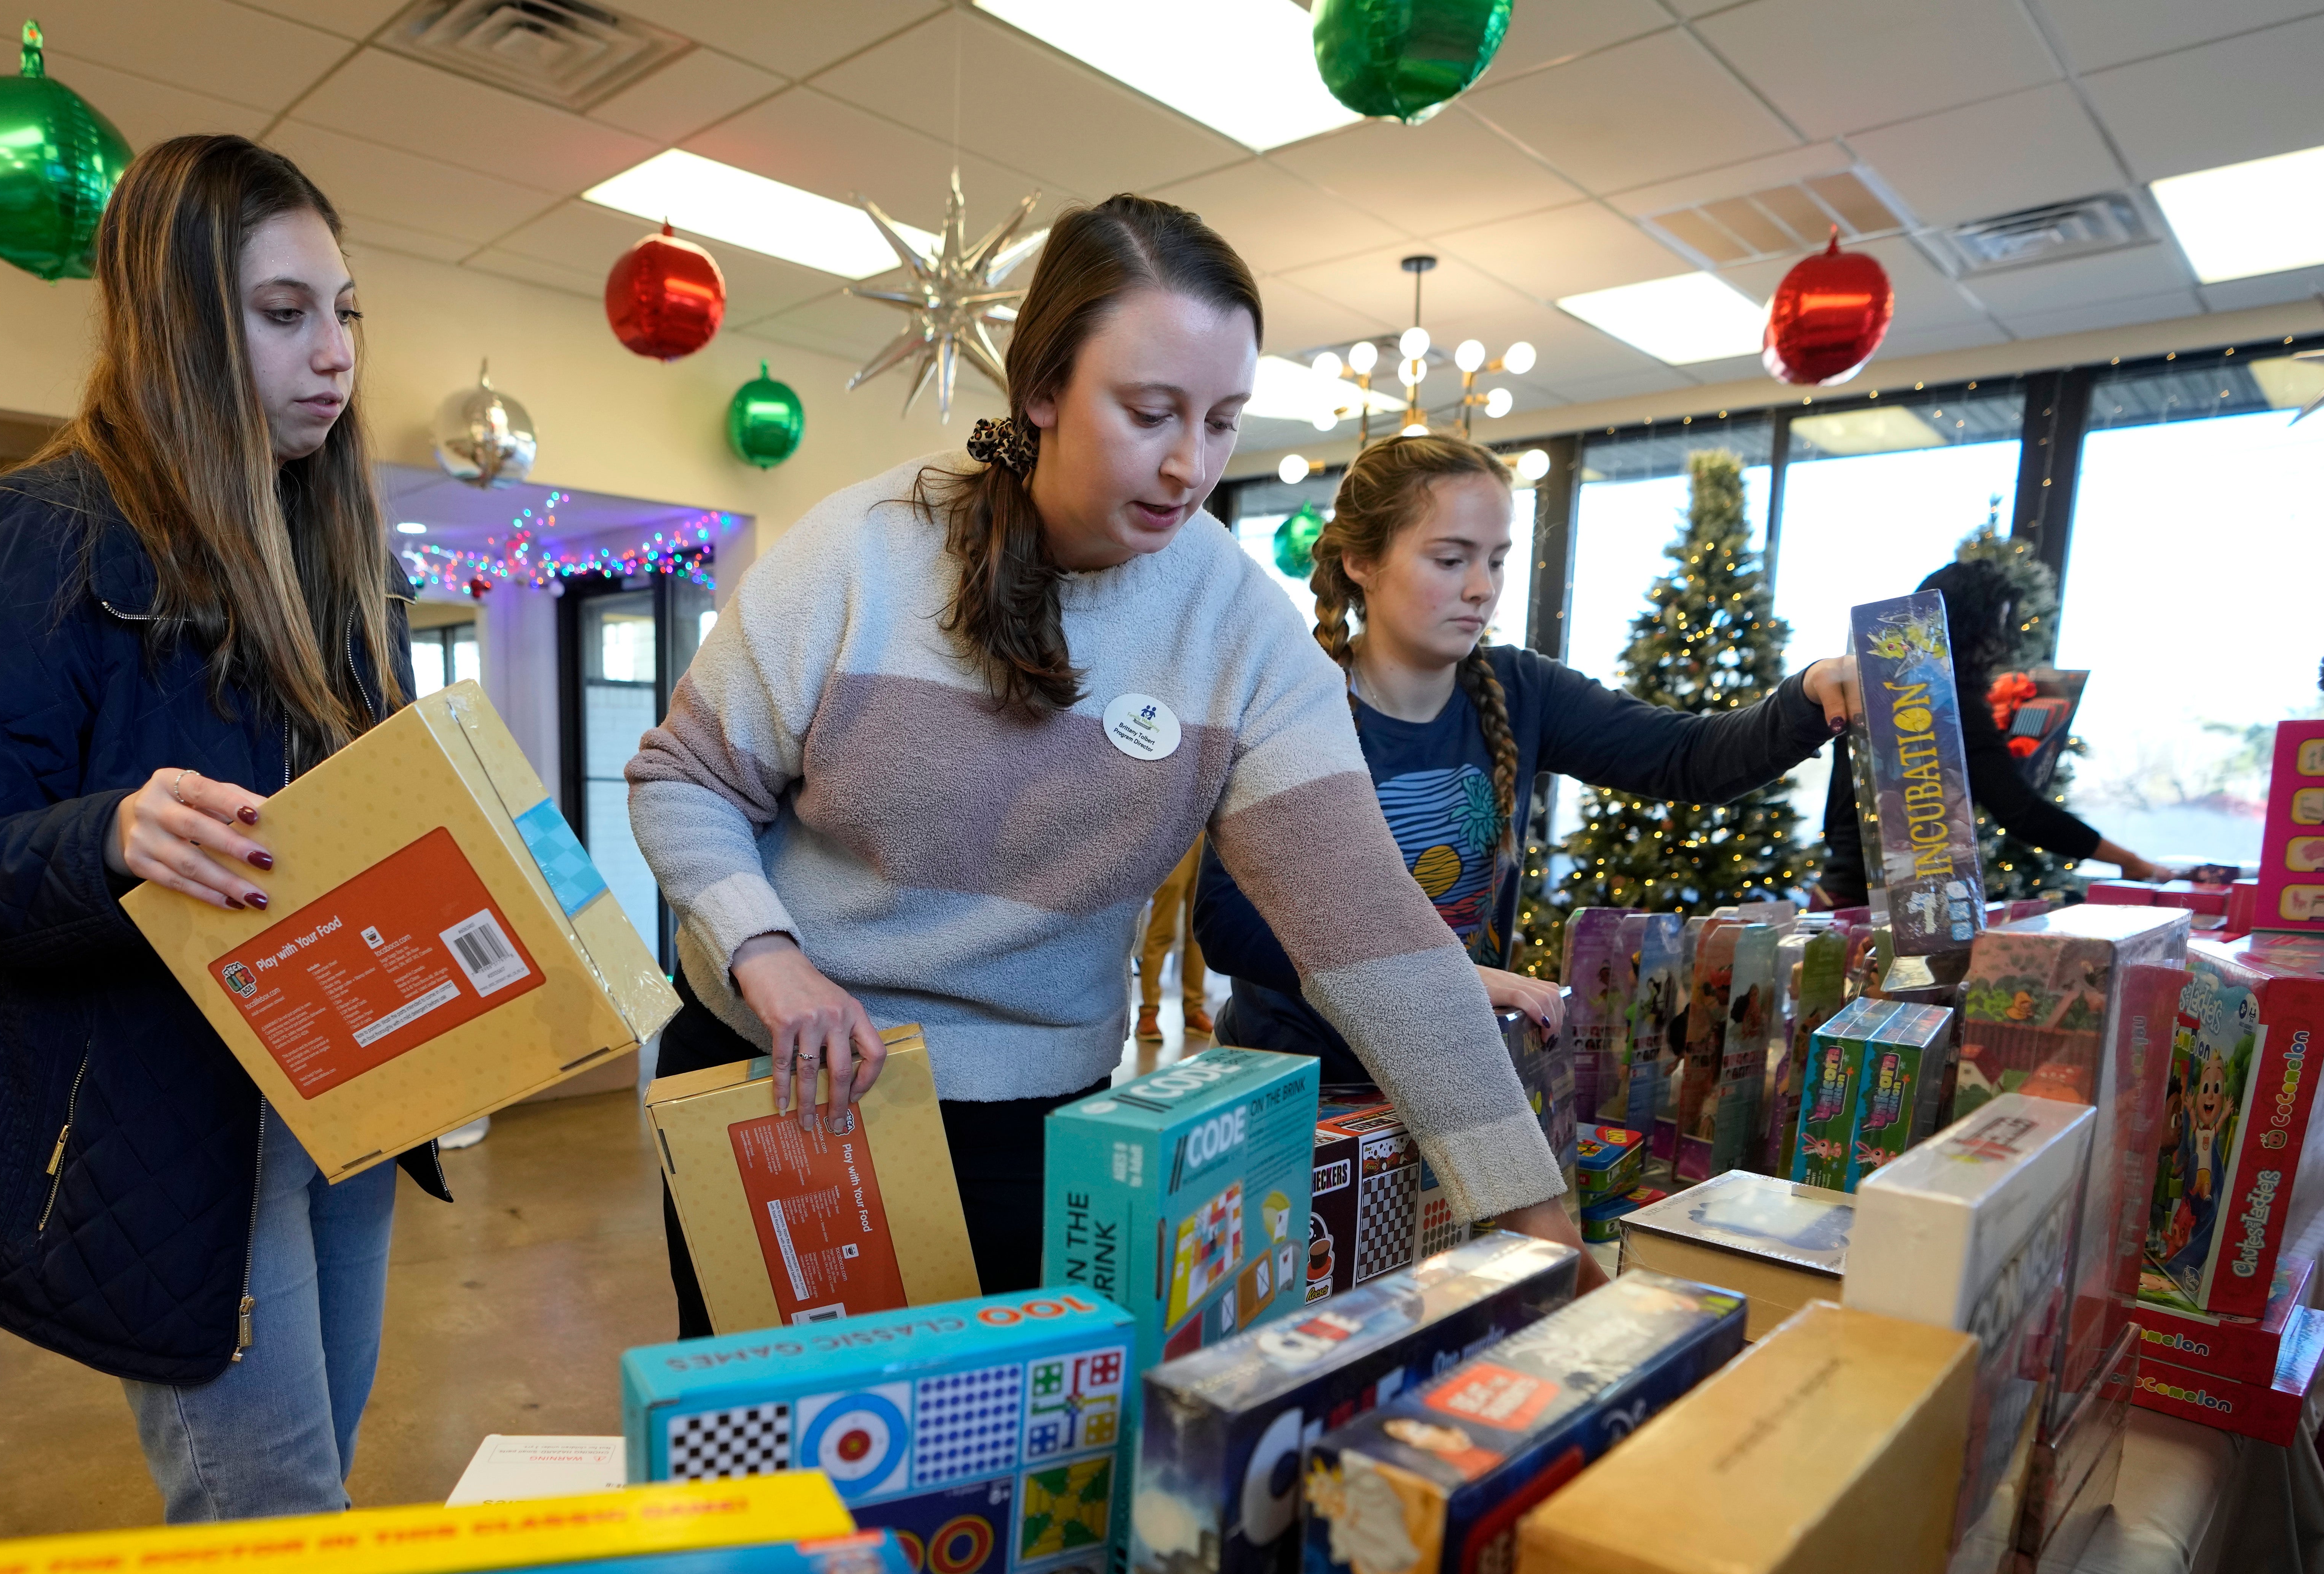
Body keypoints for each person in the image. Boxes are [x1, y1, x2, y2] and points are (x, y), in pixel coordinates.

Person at [626, 194, 1590, 1342]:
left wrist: (1531, 1211)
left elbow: (1369, 931)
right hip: (785, 1087)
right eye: (1149, 413)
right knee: (779, 1477)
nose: (1190, 465)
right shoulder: (859, 553)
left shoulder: (1237, 631)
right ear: (1040, 392)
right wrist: (765, 951)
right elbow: (683, 778)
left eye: (1223, 421)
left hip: (1036, 1127)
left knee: (995, 1486)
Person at [0, 135, 443, 1524]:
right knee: (270, 1513)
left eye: (343, 312)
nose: (335, 355)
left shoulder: (341, 557)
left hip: (343, 1094)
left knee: (320, 1479)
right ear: (180, 319)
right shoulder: (37, 529)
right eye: (283, 313)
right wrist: (109, 834)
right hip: (178, 1124)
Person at [1195, 432, 1861, 1082]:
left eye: (1498, 559)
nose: (1483, 587)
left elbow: (1692, 758)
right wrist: (1440, 976)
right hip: (1298, 1083)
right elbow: (1231, 923)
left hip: (1446, 1076)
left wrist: (1807, 696)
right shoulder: (1292, 704)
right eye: (1451, 560)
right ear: (1361, 563)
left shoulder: (1523, 691)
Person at [1814, 558, 2166, 901]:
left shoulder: (1874, 688)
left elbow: (1838, 814)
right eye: (1997, 626)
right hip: (1897, 909)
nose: (2003, 642)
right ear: (1972, 630)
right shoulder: (1952, 706)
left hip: (1836, 894)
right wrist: (2131, 861)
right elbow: (2023, 814)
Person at [1133, 834, 1210, 1042]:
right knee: (1162, 930)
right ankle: (1148, 1013)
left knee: (1200, 930)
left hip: (1210, 836)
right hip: (1177, 834)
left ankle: (1194, 1010)